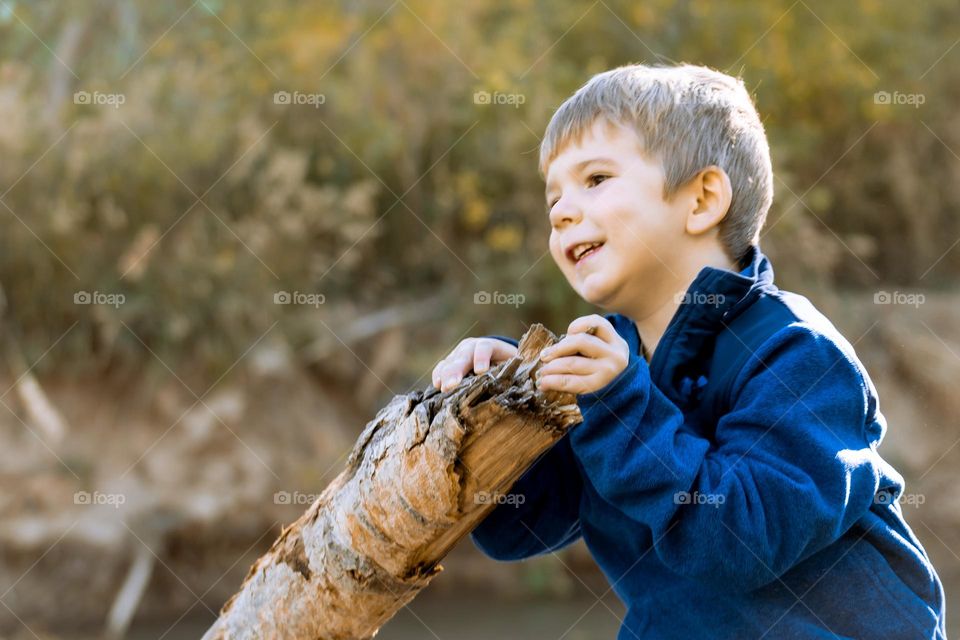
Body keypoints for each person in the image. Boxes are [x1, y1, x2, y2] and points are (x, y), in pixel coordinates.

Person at [431, 63, 946, 639]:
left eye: (595, 179)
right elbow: (517, 530)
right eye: (553, 195)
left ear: (701, 199)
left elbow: (739, 545)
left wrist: (621, 406)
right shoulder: (609, 367)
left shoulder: (797, 354)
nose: (560, 211)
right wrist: (497, 406)